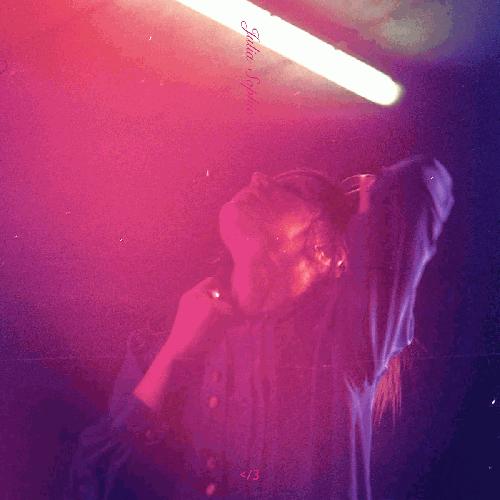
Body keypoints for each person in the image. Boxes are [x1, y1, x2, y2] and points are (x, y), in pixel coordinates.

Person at [66, 155, 454, 499]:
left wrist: (369, 198)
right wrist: (171, 357)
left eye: (292, 190)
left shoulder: (343, 344)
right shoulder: (157, 350)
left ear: (333, 254)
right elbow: (91, 485)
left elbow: (422, 183)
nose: (257, 178)